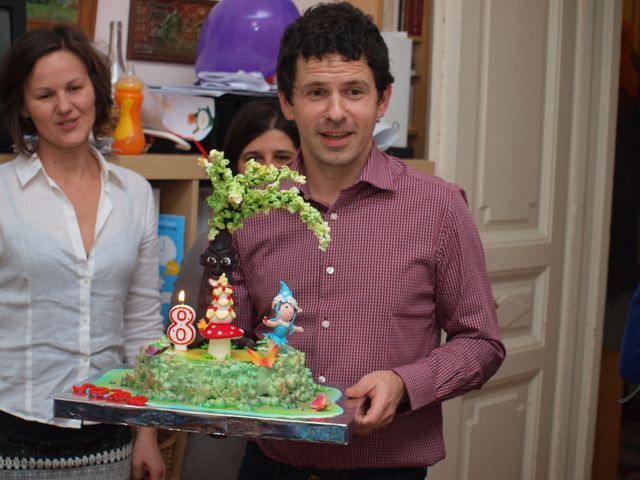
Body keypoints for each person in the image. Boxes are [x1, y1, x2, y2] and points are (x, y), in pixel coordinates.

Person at [228, 3, 506, 479]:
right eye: (316, 92)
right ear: (288, 103)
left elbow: (482, 342)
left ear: (382, 100)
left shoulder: (438, 208)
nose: (336, 112)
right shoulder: (250, 210)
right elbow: (226, 339)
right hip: (271, 464)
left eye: (354, 91)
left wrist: (405, 383)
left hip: (384, 467)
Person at [0, 25, 165, 479]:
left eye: (74, 88)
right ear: (24, 107)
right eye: (44, 95)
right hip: (13, 432)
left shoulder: (134, 193)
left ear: (95, 88)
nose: (65, 106)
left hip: (110, 434)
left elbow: (142, 323)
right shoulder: (3, 194)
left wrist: (147, 432)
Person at [172, 98, 299, 319]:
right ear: (234, 167)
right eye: (253, 158)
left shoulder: (321, 230)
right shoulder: (215, 243)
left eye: (282, 157)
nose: (267, 170)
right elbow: (188, 328)